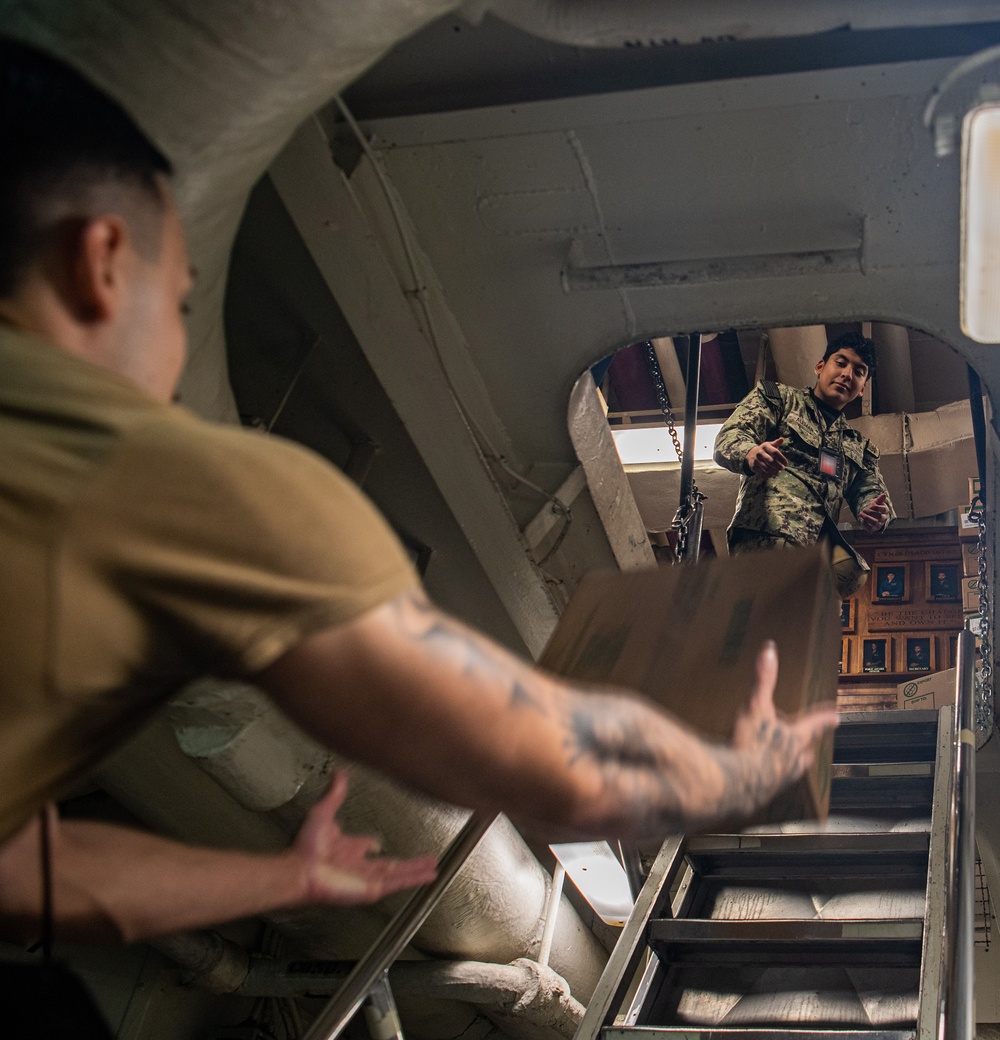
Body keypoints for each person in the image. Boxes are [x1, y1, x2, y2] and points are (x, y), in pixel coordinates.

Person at [0, 39, 837, 946]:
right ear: (102, 260)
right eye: (178, 299)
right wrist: (744, 780)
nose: (175, 338)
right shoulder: (162, 482)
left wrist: (281, 875)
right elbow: (560, 761)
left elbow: (31, 869)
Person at [713, 331, 895, 595]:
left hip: (818, 557)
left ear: (862, 387)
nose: (847, 374)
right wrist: (751, 453)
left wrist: (876, 513)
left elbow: (873, 494)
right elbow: (731, 436)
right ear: (820, 367)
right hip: (768, 536)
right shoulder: (779, 400)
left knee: (799, 628)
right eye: (841, 363)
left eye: (859, 371)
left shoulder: (859, 446)